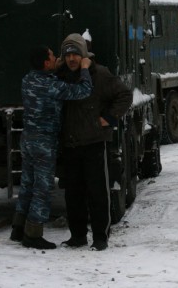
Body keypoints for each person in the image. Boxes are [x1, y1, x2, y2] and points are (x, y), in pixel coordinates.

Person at [10, 45, 93, 249]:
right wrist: (84, 68)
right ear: (46, 63)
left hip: (27, 138)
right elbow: (84, 90)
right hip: (43, 142)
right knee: (43, 187)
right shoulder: (51, 85)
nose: (57, 58)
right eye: (53, 57)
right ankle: (33, 233)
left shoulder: (28, 79)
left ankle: (18, 228)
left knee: (28, 184)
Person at [56, 33, 133, 251]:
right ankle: (78, 235)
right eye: (67, 54)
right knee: (73, 194)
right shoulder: (60, 76)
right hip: (70, 144)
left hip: (94, 142)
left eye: (75, 54)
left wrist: (108, 118)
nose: (71, 59)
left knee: (97, 192)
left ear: (84, 55)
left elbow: (124, 95)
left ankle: (100, 236)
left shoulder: (99, 74)